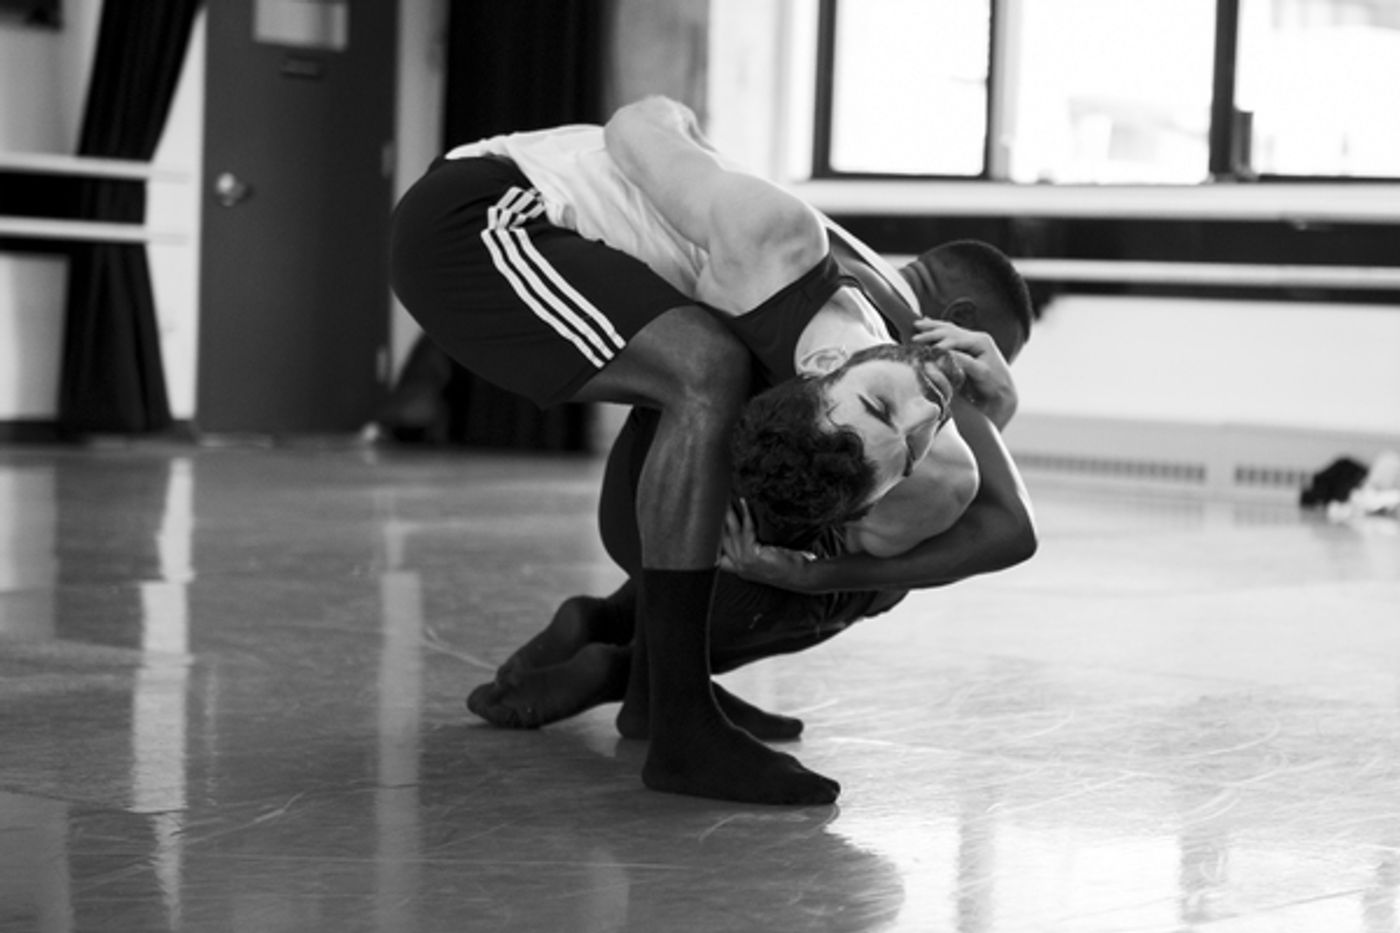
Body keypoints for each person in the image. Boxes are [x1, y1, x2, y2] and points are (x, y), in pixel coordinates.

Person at [459, 97, 1038, 742]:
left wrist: (687, 132)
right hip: (723, 551)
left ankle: (616, 635)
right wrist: (997, 408)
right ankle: (624, 673)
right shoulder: (911, 353)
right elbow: (1005, 528)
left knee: (866, 512)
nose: (966, 392)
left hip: (648, 497)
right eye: (993, 356)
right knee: (887, 575)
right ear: (960, 317)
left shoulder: (827, 266)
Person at [390, 106, 840, 805]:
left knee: (705, 389)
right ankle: (683, 727)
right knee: (707, 369)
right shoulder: (810, 270)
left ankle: (656, 691)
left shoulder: (791, 266)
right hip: (480, 217)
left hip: (513, 211)